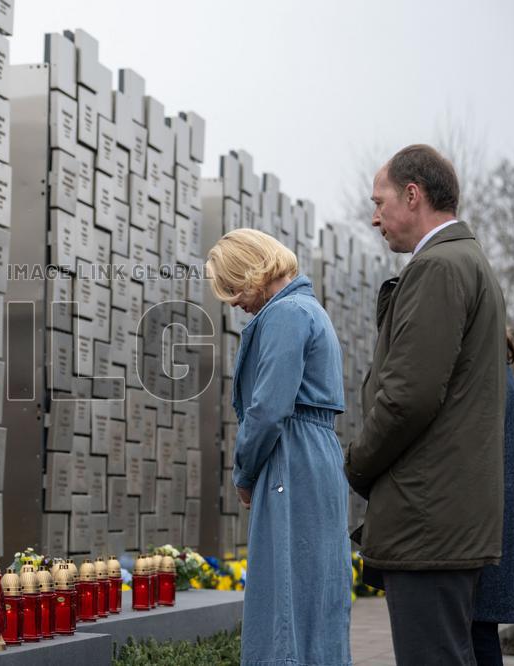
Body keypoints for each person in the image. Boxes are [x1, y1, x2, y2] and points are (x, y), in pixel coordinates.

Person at [344, 144, 506, 666]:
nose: (374, 218)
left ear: (412, 196)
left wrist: (355, 464)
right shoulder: (464, 260)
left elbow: (406, 399)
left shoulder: (438, 268)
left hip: (428, 522)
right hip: (443, 518)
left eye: (379, 201)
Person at [207, 228, 351, 666]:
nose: (233, 302)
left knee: (285, 597)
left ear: (252, 272)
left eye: (232, 287)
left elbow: (267, 409)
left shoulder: (286, 314)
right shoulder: (309, 309)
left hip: (292, 457)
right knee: (315, 597)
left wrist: (244, 474)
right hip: (313, 454)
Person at [472, 331, 514, 665]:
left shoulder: (487, 376)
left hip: (484, 530)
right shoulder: (500, 371)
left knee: (478, 635)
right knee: (481, 632)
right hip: (494, 528)